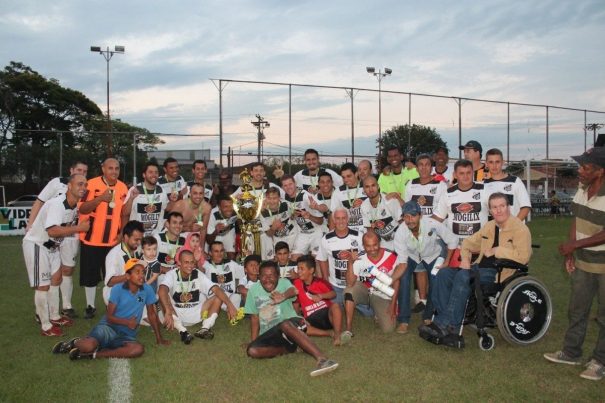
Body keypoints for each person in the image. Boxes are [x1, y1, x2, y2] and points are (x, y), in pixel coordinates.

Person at [420, 192, 531, 348]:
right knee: (443, 273)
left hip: (498, 274)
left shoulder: (520, 229)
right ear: (490, 211)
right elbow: (467, 243)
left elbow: (524, 257)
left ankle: (448, 324)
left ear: (508, 207)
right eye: (494, 207)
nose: (498, 210)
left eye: (502, 206)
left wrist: (497, 250)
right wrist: (465, 259)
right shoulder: (490, 227)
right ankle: (445, 320)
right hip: (477, 268)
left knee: (463, 276)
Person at [544, 147, 605, 381]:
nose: (580, 170)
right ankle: (571, 352)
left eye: (586, 167)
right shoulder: (582, 189)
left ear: (600, 171)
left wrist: (575, 246)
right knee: (577, 309)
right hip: (583, 262)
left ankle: (600, 361)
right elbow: (577, 220)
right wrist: (571, 249)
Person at [52, 259, 169, 359]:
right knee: (88, 346)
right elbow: (109, 317)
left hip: (127, 335)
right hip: (108, 328)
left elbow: (152, 314)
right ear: (128, 276)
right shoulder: (118, 289)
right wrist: (127, 322)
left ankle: (95, 355)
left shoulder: (147, 289)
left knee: (138, 349)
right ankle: (74, 343)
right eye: (137, 272)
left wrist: (159, 338)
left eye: (143, 272)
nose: (141, 275)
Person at [245, 261, 339, 377]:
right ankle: (292, 348)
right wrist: (253, 340)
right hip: (271, 332)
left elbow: (294, 291)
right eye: (264, 275)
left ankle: (323, 360)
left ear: (278, 276)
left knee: (285, 324)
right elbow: (254, 318)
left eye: (271, 276)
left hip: (292, 323)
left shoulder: (284, 283)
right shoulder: (253, 290)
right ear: (259, 276)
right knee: (252, 351)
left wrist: (282, 296)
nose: (267, 279)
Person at [23, 174, 90, 336]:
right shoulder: (57, 204)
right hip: (37, 244)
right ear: (69, 186)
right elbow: (52, 230)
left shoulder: (74, 206)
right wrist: (78, 229)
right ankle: (46, 326)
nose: (83, 188)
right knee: (43, 285)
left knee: (57, 279)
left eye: (85, 185)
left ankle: (54, 316)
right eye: (79, 184)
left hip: (52, 247)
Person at [393, 201, 458, 334]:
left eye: (413, 216)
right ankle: (404, 320)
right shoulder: (400, 232)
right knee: (404, 279)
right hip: (411, 257)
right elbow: (402, 262)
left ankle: (428, 316)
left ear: (420, 215)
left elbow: (452, 240)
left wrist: (447, 261)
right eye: (406, 216)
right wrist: (391, 279)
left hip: (432, 254)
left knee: (436, 279)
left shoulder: (432, 224)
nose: (409, 220)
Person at [79, 158, 129, 319]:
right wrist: (100, 199)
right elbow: (83, 208)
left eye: (117, 168)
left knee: (113, 275)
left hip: (113, 242)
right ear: (103, 169)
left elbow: (123, 214)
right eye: (110, 168)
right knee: (90, 275)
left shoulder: (122, 187)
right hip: (91, 239)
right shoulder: (91, 184)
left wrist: (122, 233)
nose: (114, 171)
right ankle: (90, 306)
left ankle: (113, 305)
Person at [159, 249, 238, 344]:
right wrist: (167, 310)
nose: (190, 266)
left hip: (197, 313)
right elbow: (162, 289)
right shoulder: (171, 274)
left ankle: (205, 328)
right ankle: (183, 331)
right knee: (163, 295)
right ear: (179, 262)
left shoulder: (197, 274)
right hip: (176, 313)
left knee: (218, 296)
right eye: (186, 262)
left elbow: (216, 289)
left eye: (192, 262)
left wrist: (230, 305)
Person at [404, 153, 448, 311]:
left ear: (432, 166)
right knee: (420, 267)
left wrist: (430, 228)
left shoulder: (440, 185)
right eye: (420, 164)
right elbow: (408, 209)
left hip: (436, 234)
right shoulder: (411, 185)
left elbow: (444, 210)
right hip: (416, 234)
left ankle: (435, 301)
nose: (424, 167)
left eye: (427, 164)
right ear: (416, 167)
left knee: (435, 269)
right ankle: (422, 300)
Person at [344, 231, 404, 334]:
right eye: (368, 246)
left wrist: (393, 304)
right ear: (363, 246)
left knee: (388, 329)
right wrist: (350, 262)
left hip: (381, 294)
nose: (372, 249)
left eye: (375, 245)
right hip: (364, 290)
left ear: (379, 243)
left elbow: (396, 281)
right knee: (349, 291)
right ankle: (348, 328)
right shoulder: (359, 257)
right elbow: (350, 283)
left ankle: (376, 311)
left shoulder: (391, 256)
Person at [433, 159, 489, 251]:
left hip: (480, 249)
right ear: (455, 175)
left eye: (468, 173)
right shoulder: (448, 193)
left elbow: (498, 214)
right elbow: (437, 218)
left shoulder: (485, 190)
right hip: (456, 249)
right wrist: (420, 225)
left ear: (473, 173)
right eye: (461, 173)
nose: (465, 176)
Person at [293, 255, 346, 346]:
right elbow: (296, 302)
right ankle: (329, 334)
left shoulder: (320, 282)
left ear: (311, 270)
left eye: (302, 269)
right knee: (298, 326)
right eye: (298, 269)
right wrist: (296, 316)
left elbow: (333, 294)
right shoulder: (296, 283)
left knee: (336, 306)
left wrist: (321, 296)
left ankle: (337, 335)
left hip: (326, 315)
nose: (299, 271)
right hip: (310, 319)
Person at [316, 208, 364, 304]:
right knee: (333, 308)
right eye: (337, 218)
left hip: (355, 283)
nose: (341, 221)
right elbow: (322, 259)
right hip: (335, 285)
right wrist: (326, 279)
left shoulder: (359, 236)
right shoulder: (326, 238)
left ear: (348, 219)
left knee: (368, 312)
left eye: (343, 218)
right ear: (333, 220)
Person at [122, 161, 174, 236]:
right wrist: (131, 199)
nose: (154, 175)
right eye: (150, 172)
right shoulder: (135, 189)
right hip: (137, 236)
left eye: (156, 172)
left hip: (156, 237)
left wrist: (172, 200)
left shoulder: (161, 190)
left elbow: (167, 208)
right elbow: (124, 213)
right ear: (144, 175)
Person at [281, 174, 324, 259]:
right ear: (282, 187)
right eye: (285, 185)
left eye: (290, 184)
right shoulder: (285, 197)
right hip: (302, 233)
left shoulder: (306, 196)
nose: (288, 187)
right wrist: (293, 215)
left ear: (295, 183)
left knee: (317, 259)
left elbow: (321, 221)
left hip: (316, 232)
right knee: (294, 258)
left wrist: (310, 216)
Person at [102, 220, 144, 305]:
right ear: (126, 237)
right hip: (117, 295)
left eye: (140, 240)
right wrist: (130, 276)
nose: (139, 243)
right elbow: (109, 282)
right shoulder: (114, 254)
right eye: (136, 240)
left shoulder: (138, 250)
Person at [483, 148, 531, 221]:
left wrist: (513, 226)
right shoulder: (483, 185)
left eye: (497, 162)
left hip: (513, 230)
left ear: (503, 162)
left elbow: (526, 207)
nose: (494, 165)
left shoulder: (515, 181)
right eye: (491, 162)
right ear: (486, 164)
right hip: (492, 231)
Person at [360, 176, 401, 250]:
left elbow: (402, 222)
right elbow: (370, 230)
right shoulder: (364, 206)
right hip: (382, 247)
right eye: (367, 187)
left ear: (378, 186)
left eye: (373, 185)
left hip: (398, 243)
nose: (371, 189)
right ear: (364, 190)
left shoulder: (390, 201)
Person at [202, 241, 243, 310]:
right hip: (213, 299)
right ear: (210, 253)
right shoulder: (205, 264)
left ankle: (230, 311)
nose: (219, 254)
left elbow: (244, 272)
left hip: (229, 298)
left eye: (221, 251)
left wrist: (247, 257)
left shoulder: (231, 263)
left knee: (237, 296)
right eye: (216, 251)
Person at [260, 187, 296, 260]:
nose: (272, 201)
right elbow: (269, 234)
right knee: (264, 237)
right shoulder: (263, 213)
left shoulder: (286, 204)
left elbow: (295, 215)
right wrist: (273, 227)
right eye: (269, 198)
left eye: (274, 198)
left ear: (279, 198)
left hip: (291, 235)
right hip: (277, 238)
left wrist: (293, 215)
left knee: (293, 258)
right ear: (266, 198)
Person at [331, 162, 367, 233]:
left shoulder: (366, 186)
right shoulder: (338, 191)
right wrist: (332, 233)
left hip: (366, 230)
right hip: (347, 232)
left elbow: (376, 206)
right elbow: (333, 214)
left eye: (349, 176)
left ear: (356, 174)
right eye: (343, 177)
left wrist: (364, 204)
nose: (346, 180)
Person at [206, 195, 238, 260]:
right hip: (214, 236)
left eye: (231, 206)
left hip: (229, 233)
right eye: (225, 207)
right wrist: (216, 231)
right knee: (215, 257)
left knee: (231, 257)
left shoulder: (236, 211)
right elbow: (209, 240)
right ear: (219, 207)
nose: (229, 209)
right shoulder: (212, 215)